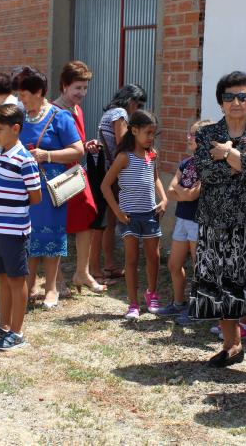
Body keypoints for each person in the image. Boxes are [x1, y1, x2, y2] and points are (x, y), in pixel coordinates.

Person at [187, 71, 246, 379]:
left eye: (242, 96)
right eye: (229, 97)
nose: (236, 102)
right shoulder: (205, 134)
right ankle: (232, 346)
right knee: (220, 289)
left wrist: (227, 153)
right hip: (216, 221)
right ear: (221, 102)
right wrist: (242, 159)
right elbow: (207, 174)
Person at [0, 104, 42, 350]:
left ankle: (17, 331)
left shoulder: (24, 160)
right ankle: (3, 326)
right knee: (2, 277)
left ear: (16, 129)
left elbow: (36, 197)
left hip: (15, 231)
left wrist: (13, 209)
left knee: (16, 280)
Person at [16, 66, 83, 308]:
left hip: (51, 190)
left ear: (38, 92)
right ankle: (30, 283)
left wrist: (47, 155)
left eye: (24, 94)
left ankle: (52, 288)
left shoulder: (59, 117)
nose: (20, 99)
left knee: (51, 236)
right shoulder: (19, 118)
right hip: (24, 189)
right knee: (29, 237)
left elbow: (78, 150)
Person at [102, 110, 168, 320]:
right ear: (134, 130)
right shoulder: (124, 157)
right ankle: (132, 303)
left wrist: (164, 199)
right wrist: (118, 212)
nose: (150, 138)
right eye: (147, 133)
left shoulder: (152, 154)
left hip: (150, 215)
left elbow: (155, 178)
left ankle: (151, 293)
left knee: (153, 257)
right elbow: (105, 186)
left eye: (153, 134)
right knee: (131, 259)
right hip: (129, 217)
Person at [52, 61, 107, 292]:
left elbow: (74, 144)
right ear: (64, 86)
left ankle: (81, 273)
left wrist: (86, 146)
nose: (82, 93)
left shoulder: (77, 110)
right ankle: (56, 279)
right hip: (57, 176)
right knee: (56, 226)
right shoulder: (53, 112)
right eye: (78, 88)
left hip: (74, 173)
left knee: (86, 218)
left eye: (85, 88)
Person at [156, 119, 212, 324]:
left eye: (194, 135)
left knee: (200, 268)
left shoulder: (210, 166)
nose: (189, 137)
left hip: (199, 222)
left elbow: (191, 196)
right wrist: (183, 191)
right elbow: (171, 190)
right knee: (174, 264)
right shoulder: (186, 163)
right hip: (182, 220)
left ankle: (199, 309)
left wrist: (181, 191)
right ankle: (178, 303)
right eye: (189, 133)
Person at [92, 84, 148, 281]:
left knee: (109, 220)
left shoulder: (109, 112)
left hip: (105, 172)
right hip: (113, 174)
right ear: (133, 102)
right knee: (109, 220)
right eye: (139, 105)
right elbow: (123, 143)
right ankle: (103, 266)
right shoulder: (120, 113)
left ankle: (108, 265)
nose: (138, 110)